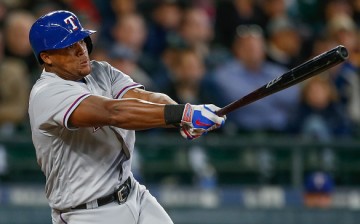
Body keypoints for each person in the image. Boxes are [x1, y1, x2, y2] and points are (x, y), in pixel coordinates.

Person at [28, 10, 226, 224]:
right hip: (87, 212)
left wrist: (182, 116)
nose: (81, 50)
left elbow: (144, 97)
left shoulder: (101, 71)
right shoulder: (46, 93)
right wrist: (183, 114)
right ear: (46, 57)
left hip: (134, 194)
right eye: (69, 45)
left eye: (82, 40)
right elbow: (114, 113)